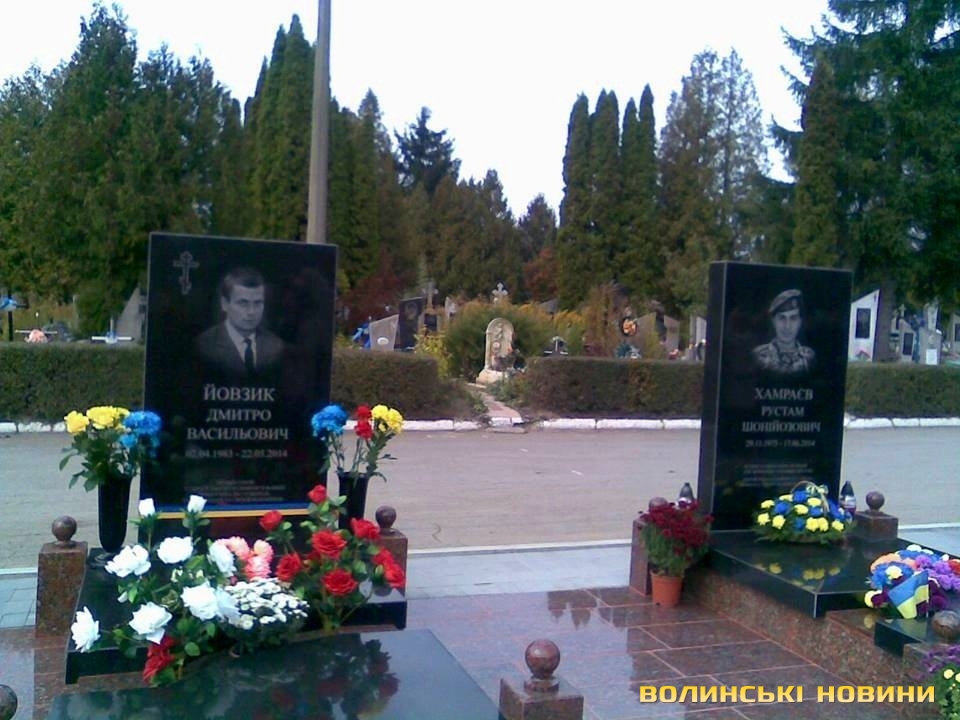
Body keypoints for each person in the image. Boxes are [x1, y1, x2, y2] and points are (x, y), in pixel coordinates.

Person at [195, 267, 285, 384]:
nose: (251, 312)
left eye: (258, 303)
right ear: (224, 304)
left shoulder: (276, 346)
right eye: (243, 303)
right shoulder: (204, 345)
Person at [751, 289, 815, 375]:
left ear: (800, 322)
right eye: (782, 318)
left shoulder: (809, 357)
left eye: (793, 318)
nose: (787, 326)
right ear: (773, 321)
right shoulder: (758, 356)